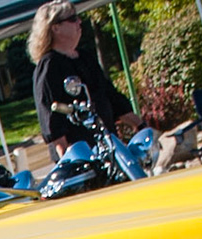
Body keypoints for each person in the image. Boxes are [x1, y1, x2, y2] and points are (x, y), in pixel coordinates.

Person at [30, 1, 140, 158]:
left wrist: (139, 124)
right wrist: (67, 156)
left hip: (109, 147)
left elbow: (110, 96)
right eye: (73, 19)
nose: (79, 22)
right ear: (55, 28)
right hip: (81, 157)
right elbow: (50, 116)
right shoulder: (49, 66)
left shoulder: (85, 58)